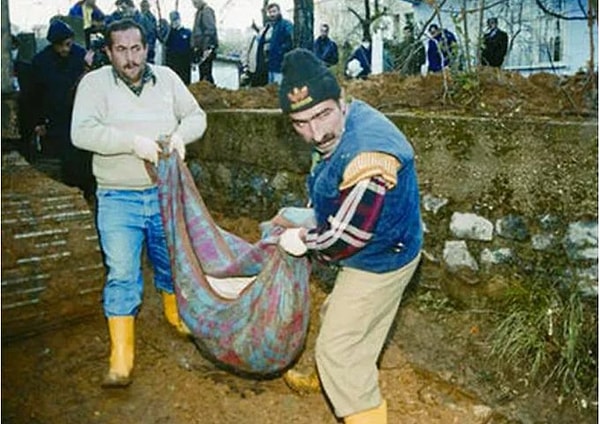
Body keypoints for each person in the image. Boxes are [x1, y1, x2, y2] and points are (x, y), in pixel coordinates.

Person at [274, 48, 423, 424]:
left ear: (341, 100)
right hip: (385, 243)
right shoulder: (343, 126)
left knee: (339, 348)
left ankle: (344, 385)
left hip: (381, 257)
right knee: (346, 319)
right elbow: (330, 183)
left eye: (322, 114)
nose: (315, 132)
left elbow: (344, 239)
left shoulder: (367, 156)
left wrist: (303, 240)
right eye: (301, 123)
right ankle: (333, 379)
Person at [70, 18, 207, 388]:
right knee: (122, 273)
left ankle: (175, 314)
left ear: (147, 48)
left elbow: (197, 116)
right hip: (117, 195)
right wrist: (133, 143)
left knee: (170, 258)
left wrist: (181, 136)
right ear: (109, 51)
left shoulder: (167, 79)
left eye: (136, 49)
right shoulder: (94, 84)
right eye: (121, 50)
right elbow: (80, 132)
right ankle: (121, 357)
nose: (130, 58)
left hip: (164, 191)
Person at [29, 19, 95, 198]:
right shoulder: (41, 62)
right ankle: (72, 191)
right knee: (67, 157)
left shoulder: (81, 56)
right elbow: (34, 95)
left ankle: (89, 192)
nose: (65, 49)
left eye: (68, 44)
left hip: (81, 114)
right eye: (60, 46)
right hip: (57, 117)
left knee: (85, 154)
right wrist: (39, 121)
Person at [264, 3, 294, 84]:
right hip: (271, 65)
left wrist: (281, 51)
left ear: (279, 11)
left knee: (279, 90)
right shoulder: (270, 27)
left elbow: (291, 40)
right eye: (270, 12)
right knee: (271, 91)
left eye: (274, 11)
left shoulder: (286, 24)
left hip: (281, 66)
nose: (272, 14)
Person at [191, 0, 218, 84]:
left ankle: (210, 93)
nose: (194, 5)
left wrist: (206, 48)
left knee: (206, 75)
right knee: (203, 73)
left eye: (195, 3)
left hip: (206, 48)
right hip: (201, 48)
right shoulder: (199, 12)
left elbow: (210, 30)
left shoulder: (206, 11)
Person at [164, 10, 192, 84]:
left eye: (176, 19)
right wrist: (171, 30)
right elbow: (166, 43)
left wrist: (192, 60)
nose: (175, 22)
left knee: (185, 82)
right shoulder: (171, 33)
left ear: (180, 19)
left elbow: (191, 46)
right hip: (173, 61)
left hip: (185, 62)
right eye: (173, 20)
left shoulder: (187, 32)